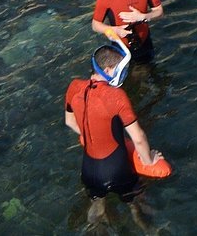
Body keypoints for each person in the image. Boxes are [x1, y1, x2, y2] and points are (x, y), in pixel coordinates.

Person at [65, 32, 164, 227]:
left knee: (97, 211)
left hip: (89, 171)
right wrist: (149, 160)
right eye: (121, 69)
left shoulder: (74, 86)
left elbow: (70, 122)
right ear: (109, 70)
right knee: (137, 205)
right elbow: (138, 137)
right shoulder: (115, 95)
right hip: (118, 170)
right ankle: (151, 230)